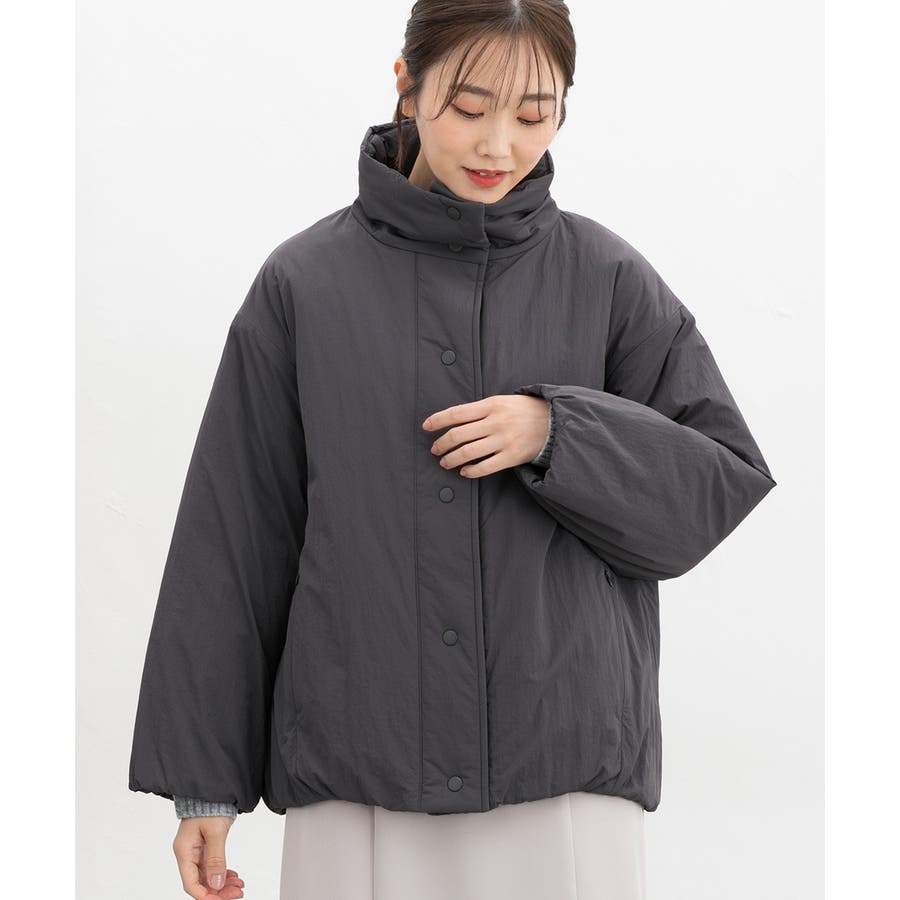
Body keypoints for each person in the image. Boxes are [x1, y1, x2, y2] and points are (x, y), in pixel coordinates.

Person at [128, 2, 777, 898]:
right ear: (407, 84)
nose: (499, 145)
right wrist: (205, 782)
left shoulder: (608, 278)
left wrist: (559, 432)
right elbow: (235, 537)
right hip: (358, 763)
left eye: (535, 114)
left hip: (564, 772)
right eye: (469, 108)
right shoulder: (304, 286)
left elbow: (716, 485)